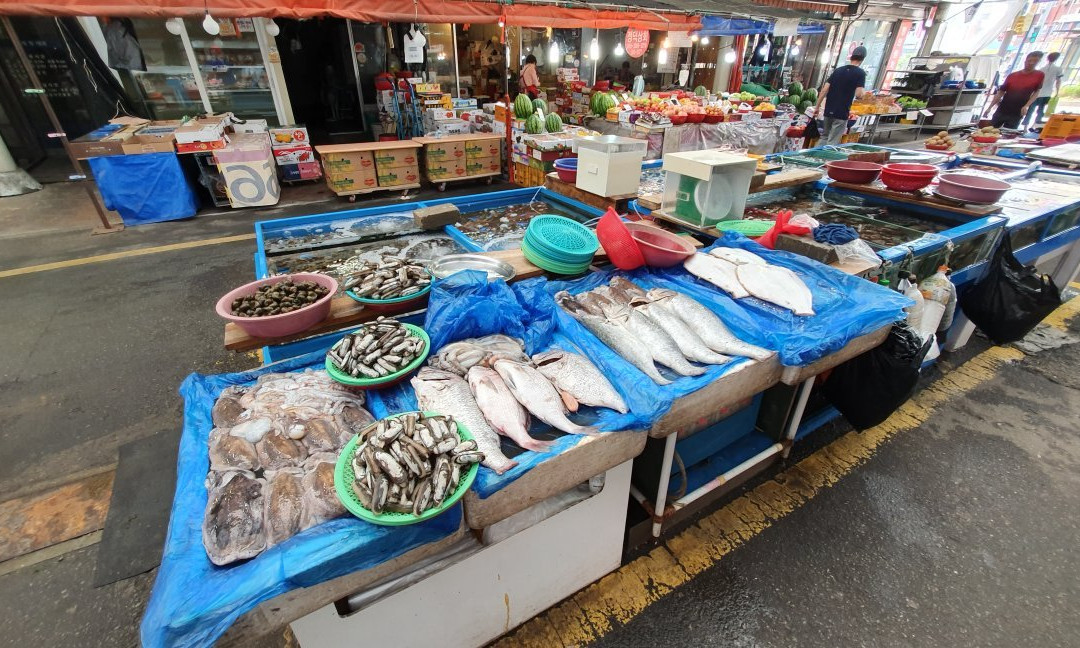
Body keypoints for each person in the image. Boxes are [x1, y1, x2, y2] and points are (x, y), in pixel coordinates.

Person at [813, 46, 868, 145]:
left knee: (824, 137)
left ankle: (812, 157)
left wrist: (817, 107)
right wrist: (864, 94)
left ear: (851, 57)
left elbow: (824, 90)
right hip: (842, 112)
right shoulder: (860, 73)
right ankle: (825, 159)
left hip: (828, 110)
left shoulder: (838, 70)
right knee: (833, 140)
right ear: (862, 59)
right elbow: (859, 94)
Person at [984, 51, 1045, 129]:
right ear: (1025, 61)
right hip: (1003, 108)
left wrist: (1026, 106)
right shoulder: (1012, 75)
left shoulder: (1039, 75)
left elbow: (1037, 91)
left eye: (1035, 61)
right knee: (990, 130)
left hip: (1018, 111)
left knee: (1009, 135)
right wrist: (989, 107)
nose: (1031, 63)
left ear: (1038, 62)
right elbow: (1001, 92)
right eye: (1030, 60)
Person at [1024, 51, 1063, 130]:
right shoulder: (1058, 69)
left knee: (1030, 110)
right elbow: (1058, 81)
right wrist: (1057, 92)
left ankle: (1025, 126)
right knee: (1040, 110)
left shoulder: (1041, 69)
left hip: (1036, 93)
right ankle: (1035, 126)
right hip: (1047, 93)